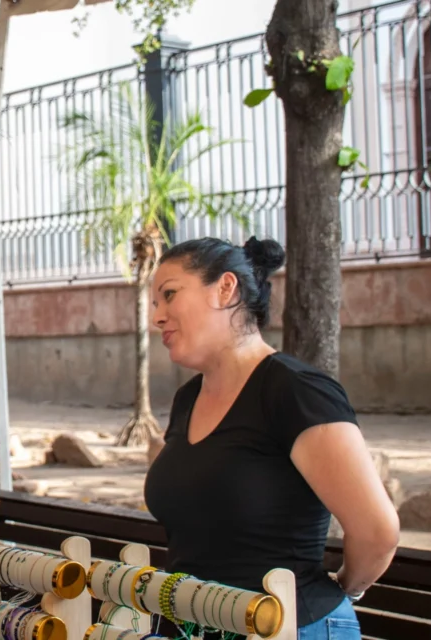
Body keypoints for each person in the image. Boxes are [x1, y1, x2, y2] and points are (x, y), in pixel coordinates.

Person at [143, 237, 400, 639]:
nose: (156, 317)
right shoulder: (187, 399)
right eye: (155, 303)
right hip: (194, 625)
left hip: (289, 626)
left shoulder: (297, 391)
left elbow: (377, 532)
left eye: (169, 295)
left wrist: (349, 587)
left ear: (226, 288)